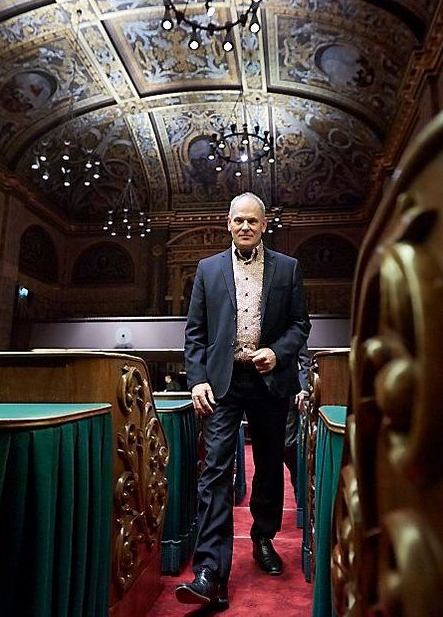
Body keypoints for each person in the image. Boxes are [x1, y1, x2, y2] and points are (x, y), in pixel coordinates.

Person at [177, 192, 310, 608]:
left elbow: (300, 324)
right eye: (239, 220)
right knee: (215, 468)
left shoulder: (288, 269)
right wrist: (196, 380)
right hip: (223, 381)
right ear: (228, 224)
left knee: (269, 467)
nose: (246, 227)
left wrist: (279, 351)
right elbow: (195, 331)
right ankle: (210, 571)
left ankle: (263, 538)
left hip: (270, 381)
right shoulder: (207, 269)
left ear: (264, 225)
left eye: (253, 221)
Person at [284, 345, 311, 500]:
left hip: (288, 393)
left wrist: (303, 388)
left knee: (288, 445)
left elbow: (305, 361)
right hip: (260, 393)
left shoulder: (291, 322)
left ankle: (299, 495)